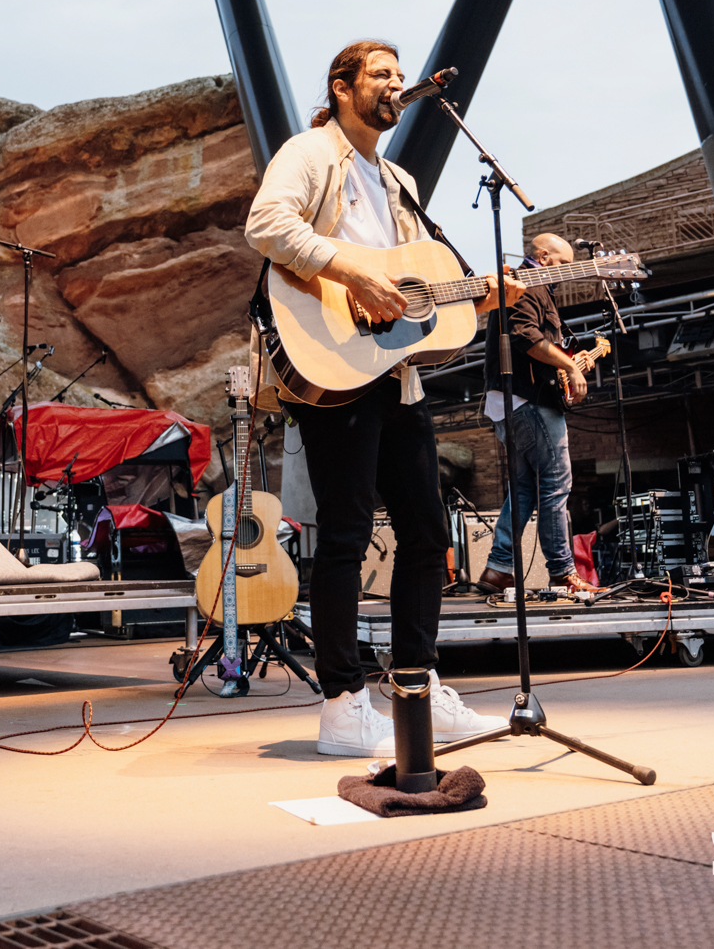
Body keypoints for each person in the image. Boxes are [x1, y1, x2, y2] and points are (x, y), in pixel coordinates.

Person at [246, 40, 519, 756]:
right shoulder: (310, 153)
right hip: (329, 358)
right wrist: (353, 276)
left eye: (401, 76)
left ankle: (417, 687)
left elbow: (420, 291)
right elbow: (267, 225)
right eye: (381, 74)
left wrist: (489, 296)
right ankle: (341, 705)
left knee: (427, 532)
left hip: (392, 370)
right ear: (342, 87)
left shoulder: (398, 180)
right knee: (343, 529)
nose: (397, 84)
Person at [477, 233, 597, 597]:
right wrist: (571, 368)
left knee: (525, 489)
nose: (564, 274)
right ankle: (562, 572)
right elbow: (525, 336)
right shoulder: (527, 282)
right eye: (561, 265)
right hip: (528, 401)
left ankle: (498, 569)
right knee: (556, 485)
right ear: (543, 257)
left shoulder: (530, 286)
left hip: (512, 402)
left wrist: (572, 363)